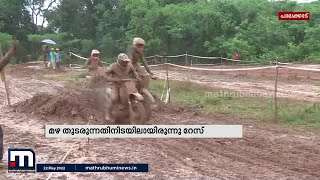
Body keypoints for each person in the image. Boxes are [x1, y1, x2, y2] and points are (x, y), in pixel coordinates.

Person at [104, 53, 141, 121]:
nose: (126, 63)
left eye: (127, 61)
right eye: (124, 61)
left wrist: (137, 77)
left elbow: (134, 72)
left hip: (128, 84)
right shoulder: (113, 66)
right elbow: (105, 74)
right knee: (114, 98)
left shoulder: (129, 65)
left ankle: (130, 108)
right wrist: (112, 79)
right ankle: (108, 113)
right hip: (117, 85)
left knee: (134, 95)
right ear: (120, 61)